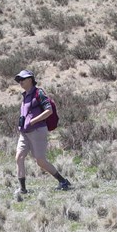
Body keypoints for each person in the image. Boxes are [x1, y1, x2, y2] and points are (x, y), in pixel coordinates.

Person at [14, 69, 72, 200]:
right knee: (19, 157)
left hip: (38, 130)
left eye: (22, 79)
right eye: (19, 80)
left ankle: (63, 181)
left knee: (40, 161)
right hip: (25, 132)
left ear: (30, 79)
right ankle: (22, 189)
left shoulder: (38, 93)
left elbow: (49, 111)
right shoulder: (25, 96)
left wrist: (33, 121)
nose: (20, 82)